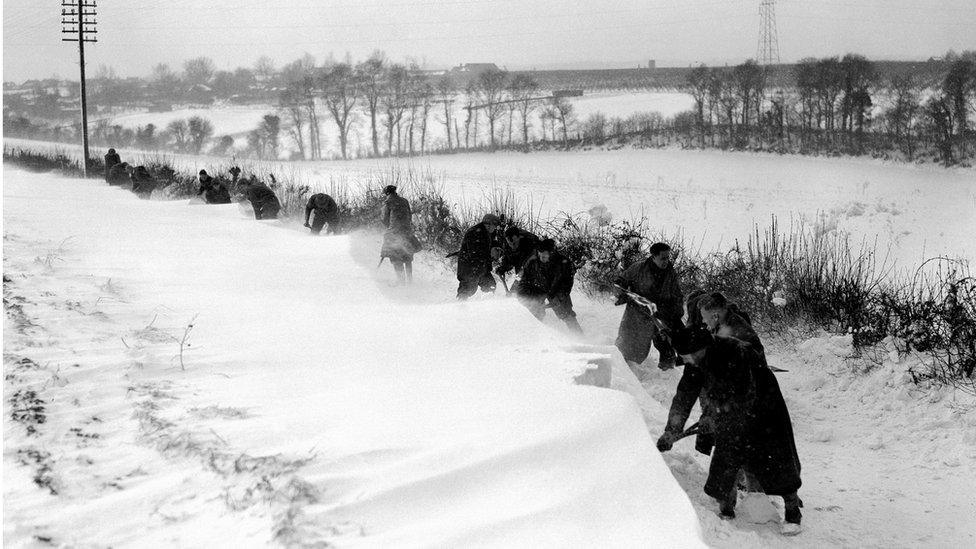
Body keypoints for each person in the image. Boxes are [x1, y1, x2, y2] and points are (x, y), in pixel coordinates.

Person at [662, 325, 803, 536]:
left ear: (701, 348)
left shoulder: (736, 352)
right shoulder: (696, 361)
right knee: (726, 454)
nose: (687, 361)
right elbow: (684, 394)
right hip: (729, 410)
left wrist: (716, 414)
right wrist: (671, 430)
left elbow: (744, 393)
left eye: (687, 356)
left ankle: (792, 512)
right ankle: (726, 508)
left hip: (765, 407)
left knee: (775, 459)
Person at [614, 242, 684, 376]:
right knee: (628, 346)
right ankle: (623, 375)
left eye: (668, 257)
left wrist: (675, 313)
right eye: (663, 258)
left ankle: (667, 377)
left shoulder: (670, 273)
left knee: (667, 349)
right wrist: (622, 293)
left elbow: (677, 295)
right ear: (653, 256)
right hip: (637, 315)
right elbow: (620, 282)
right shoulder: (638, 268)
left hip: (661, 315)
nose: (666, 261)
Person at [515, 239, 582, 333]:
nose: (542, 258)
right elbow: (524, 280)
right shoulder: (533, 262)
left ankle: (579, 337)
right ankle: (536, 336)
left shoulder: (563, 263)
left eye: (545, 256)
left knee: (566, 314)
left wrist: (561, 296)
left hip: (557, 290)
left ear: (551, 253)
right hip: (538, 288)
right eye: (540, 255)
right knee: (533, 312)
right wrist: (523, 295)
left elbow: (567, 282)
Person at [699, 292, 767, 366]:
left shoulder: (735, 333)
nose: (703, 321)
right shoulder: (721, 323)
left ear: (715, 316)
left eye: (704, 317)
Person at [380, 185, 421, 285]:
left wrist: (390, 228)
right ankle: (410, 281)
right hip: (407, 232)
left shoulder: (387, 202)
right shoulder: (404, 201)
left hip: (394, 233)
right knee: (407, 257)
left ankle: (401, 281)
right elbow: (409, 216)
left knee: (394, 255)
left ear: (387, 193)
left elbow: (385, 219)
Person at [456, 213, 502, 300]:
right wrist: (490, 255)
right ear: (488, 225)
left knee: (490, 286)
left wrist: (498, 248)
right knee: (467, 289)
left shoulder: (488, 232)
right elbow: (475, 253)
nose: (495, 228)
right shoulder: (474, 233)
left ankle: (487, 307)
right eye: (494, 225)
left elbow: (492, 243)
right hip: (469, 267)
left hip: (481, 267)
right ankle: (459, 307)